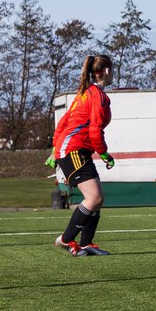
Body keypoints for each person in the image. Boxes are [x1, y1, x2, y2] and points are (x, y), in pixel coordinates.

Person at [48, 54, 115, 256]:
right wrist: (104, 153)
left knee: (98, 198)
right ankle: (66, 240)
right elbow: (95, 129)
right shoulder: (96, 96)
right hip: (73, 150)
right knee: (93, 197)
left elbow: (63, 123)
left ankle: (86, 244)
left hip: (74, 149)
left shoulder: (85, 92)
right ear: (107, 71)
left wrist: (54, 150)